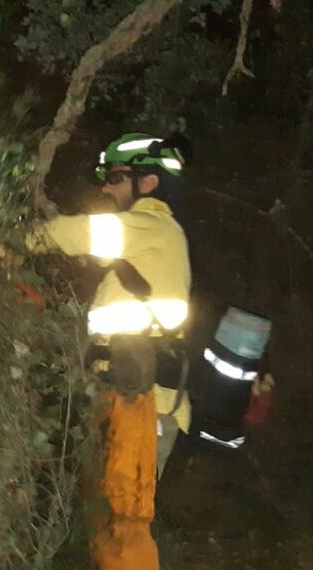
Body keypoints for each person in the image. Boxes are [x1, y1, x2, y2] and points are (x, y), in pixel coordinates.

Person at [25, 132, 193, 570]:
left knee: (124, 525)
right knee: (104, 523)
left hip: (142, 400)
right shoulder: (141, 246)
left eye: (116, 178)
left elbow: (81, 233)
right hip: (122, 395)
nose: (106, 187)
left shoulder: (153, 228)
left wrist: (15, 238)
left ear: (148, 183)